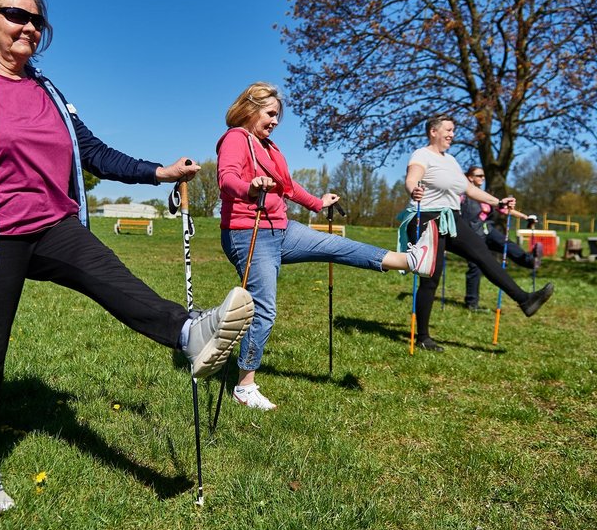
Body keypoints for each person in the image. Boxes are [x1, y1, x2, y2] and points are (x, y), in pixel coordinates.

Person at [0, 0, 255, 513]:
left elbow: (94, 151)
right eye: (17, 15)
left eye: (37, 20)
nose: (30, 27)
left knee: (113, 278)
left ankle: (189, 333)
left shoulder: (48, 91)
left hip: (52, 224)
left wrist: (158, 172)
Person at [216, 82, 435, 411]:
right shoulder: (236, 138)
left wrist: (319, 203)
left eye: (277, 116)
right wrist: (251, 186)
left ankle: (409, 260)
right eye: (270, 114)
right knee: (263, 309)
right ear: (251, 108)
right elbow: (227, 177)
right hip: (249, 233)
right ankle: (244, 386)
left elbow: (289, 187)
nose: (275, 121)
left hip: (282, 229)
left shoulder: (270, 148)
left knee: (336, 245)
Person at [401, 115, 555, 352]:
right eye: (448, 130)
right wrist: (413, 190)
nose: (452, 134)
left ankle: (525, 300)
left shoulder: (451, 161)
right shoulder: (422, 155)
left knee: (482, 254)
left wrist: (498, 202)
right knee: (431, 278)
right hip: (426, 218)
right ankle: (423, 336)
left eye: (453, 130)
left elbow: (469, 189)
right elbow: (412, 178)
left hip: (451, 218)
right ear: (433, 131)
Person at [461, 166, 543, 312]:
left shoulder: (485, 195)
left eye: (483, 176)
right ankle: (472, 302)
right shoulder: (462, 194)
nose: (483, 178)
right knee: (475, 266)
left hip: (487, 229)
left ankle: (531, 261)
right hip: (472, 233)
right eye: (479, 175)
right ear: (470, 177)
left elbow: (503, 209)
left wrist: (526, 217)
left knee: (507, 245)